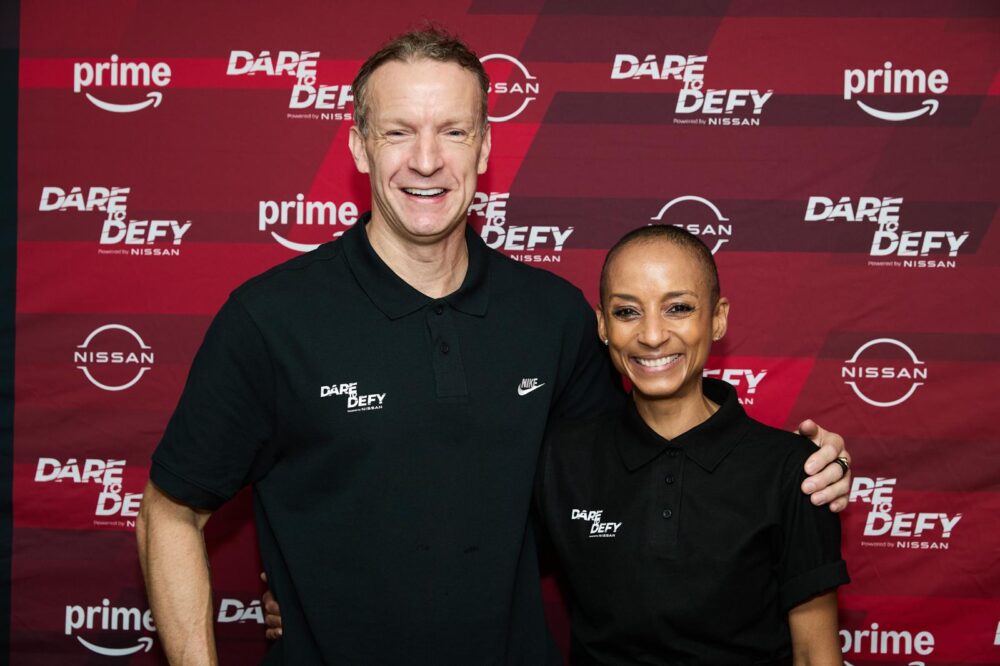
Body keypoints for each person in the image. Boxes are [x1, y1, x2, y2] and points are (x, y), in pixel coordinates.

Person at [137, 28, 852, 665]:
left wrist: (801, 472)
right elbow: (170, 511)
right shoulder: (270, 318)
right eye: (398, 133)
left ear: (483, 145)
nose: (426, 161)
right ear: (358, 145)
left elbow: (642, 461)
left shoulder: (551, 316)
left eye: (452, 131)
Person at [535, 225, 848, 663]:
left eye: (678, 308)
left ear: (718, 318)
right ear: (603, 325)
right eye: (627, 312)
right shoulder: (560, 458)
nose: (652, 335)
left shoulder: (794, 471)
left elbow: (815, 654)